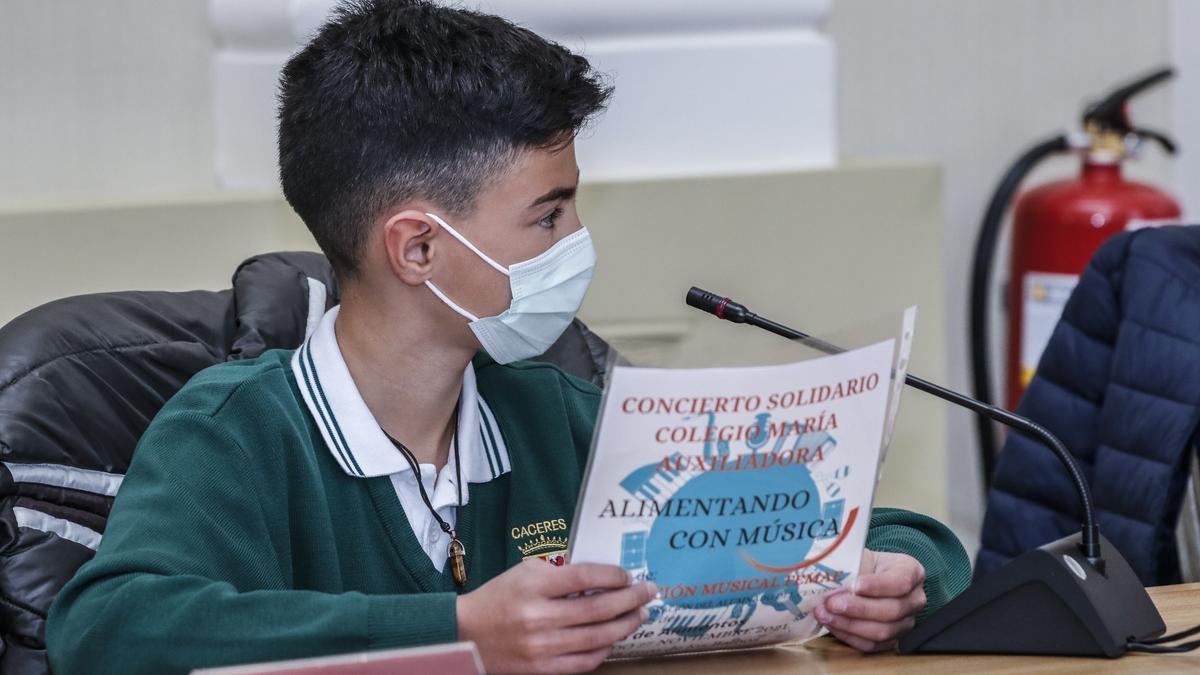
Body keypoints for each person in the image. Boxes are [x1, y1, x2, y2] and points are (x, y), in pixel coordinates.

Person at [46, 1, 970, 673]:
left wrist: (897, 572)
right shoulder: (236, 431)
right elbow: (108, 631)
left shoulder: (553, 411)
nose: (578, 246)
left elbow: (911, 538)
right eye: (548, 216)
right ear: (417, 247)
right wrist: (457, 629)